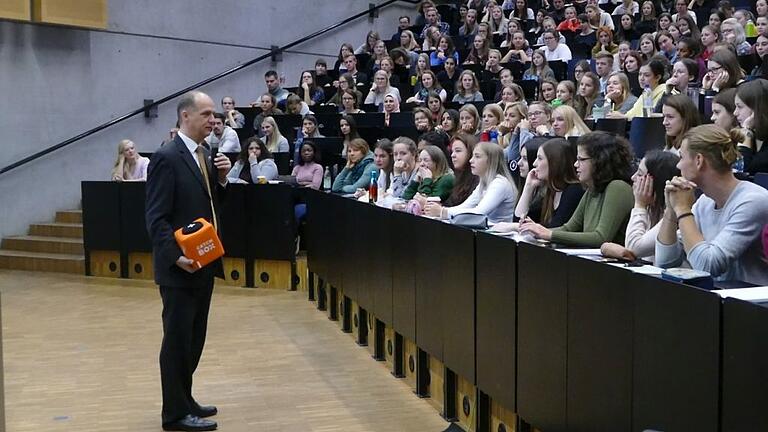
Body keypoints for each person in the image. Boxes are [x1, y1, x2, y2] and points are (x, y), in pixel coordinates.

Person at [145, 91, 232, 432]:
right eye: (207, 114)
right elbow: (156, 218)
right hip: (180, 267)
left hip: (204, 261)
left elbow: (209, 205)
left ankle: (186, 399)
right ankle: (175, 415)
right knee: (178, 340)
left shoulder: (204, 153)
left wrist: (222, 180)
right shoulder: (167, 157)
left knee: (195, 338)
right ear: (186, 116)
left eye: (214, 115)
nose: (214, 119)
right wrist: (176, 256)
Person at [656, 125, 768, 285]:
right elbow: (666, 263)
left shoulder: (753, 201)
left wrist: (682, 210)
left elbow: (708, 266)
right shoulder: (705, 202)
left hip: (752, 305)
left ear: (699, 160)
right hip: (719, 300)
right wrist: (671, 211)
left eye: (681, 157)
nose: (677, 166)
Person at [520, 131, 634, 247]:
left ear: (599, 161)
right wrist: (535, 230)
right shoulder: (591, 189)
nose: (575, 164)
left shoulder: (618, 187)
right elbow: (569, 228)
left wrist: (548, 234)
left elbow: (601, 237)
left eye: (581, 159)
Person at [601, 150, 680, 261]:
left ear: (655, 181)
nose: (633, 177)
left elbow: (634, 247)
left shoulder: (673, 214)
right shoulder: (650, 209)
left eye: (639, 174)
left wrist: (639, 205)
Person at [497, 137, 583, 231]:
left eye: (540, 158)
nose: (534, 163)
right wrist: (528, 187)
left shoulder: (574, 190)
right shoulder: (551, 190)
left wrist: (518, 227)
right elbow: (519, 220)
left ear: (554, 162)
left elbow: (556, 229)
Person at [424, 141, 518, 223]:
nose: (471, 160)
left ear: (490, 161)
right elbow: (465, 206)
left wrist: (443, 212)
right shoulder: (483, 183)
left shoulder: (500, 183)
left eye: (477, 156)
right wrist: (442, 211)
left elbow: (478, 213)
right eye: (472, 156)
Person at [735, 80, 768, 174]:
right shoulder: (754, 135)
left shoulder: (748, 134)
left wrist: (746, 132)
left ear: (757, 108)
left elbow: (742, 171)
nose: (735, 113)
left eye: (739, 107)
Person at [443, 133, 480, 206]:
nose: (452, 155)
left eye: (458, 151)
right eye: (452, 151)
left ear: (471, 153)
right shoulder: (457, 176)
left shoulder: (478, 179)